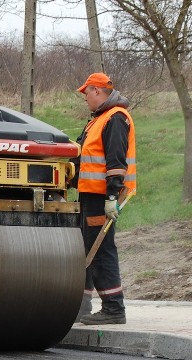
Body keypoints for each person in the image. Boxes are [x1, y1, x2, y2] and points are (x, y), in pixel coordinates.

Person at [72, 72, 136, 325]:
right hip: (90, 195)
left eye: (86, 93)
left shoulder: (115, 118)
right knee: (86, 249)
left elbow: (116, 163)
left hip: (102, 196)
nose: (85, 98)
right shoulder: (98, 119)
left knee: (101, 250)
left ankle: (113, 308)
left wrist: (112, 196)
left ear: (97, 91)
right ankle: (82, 306)